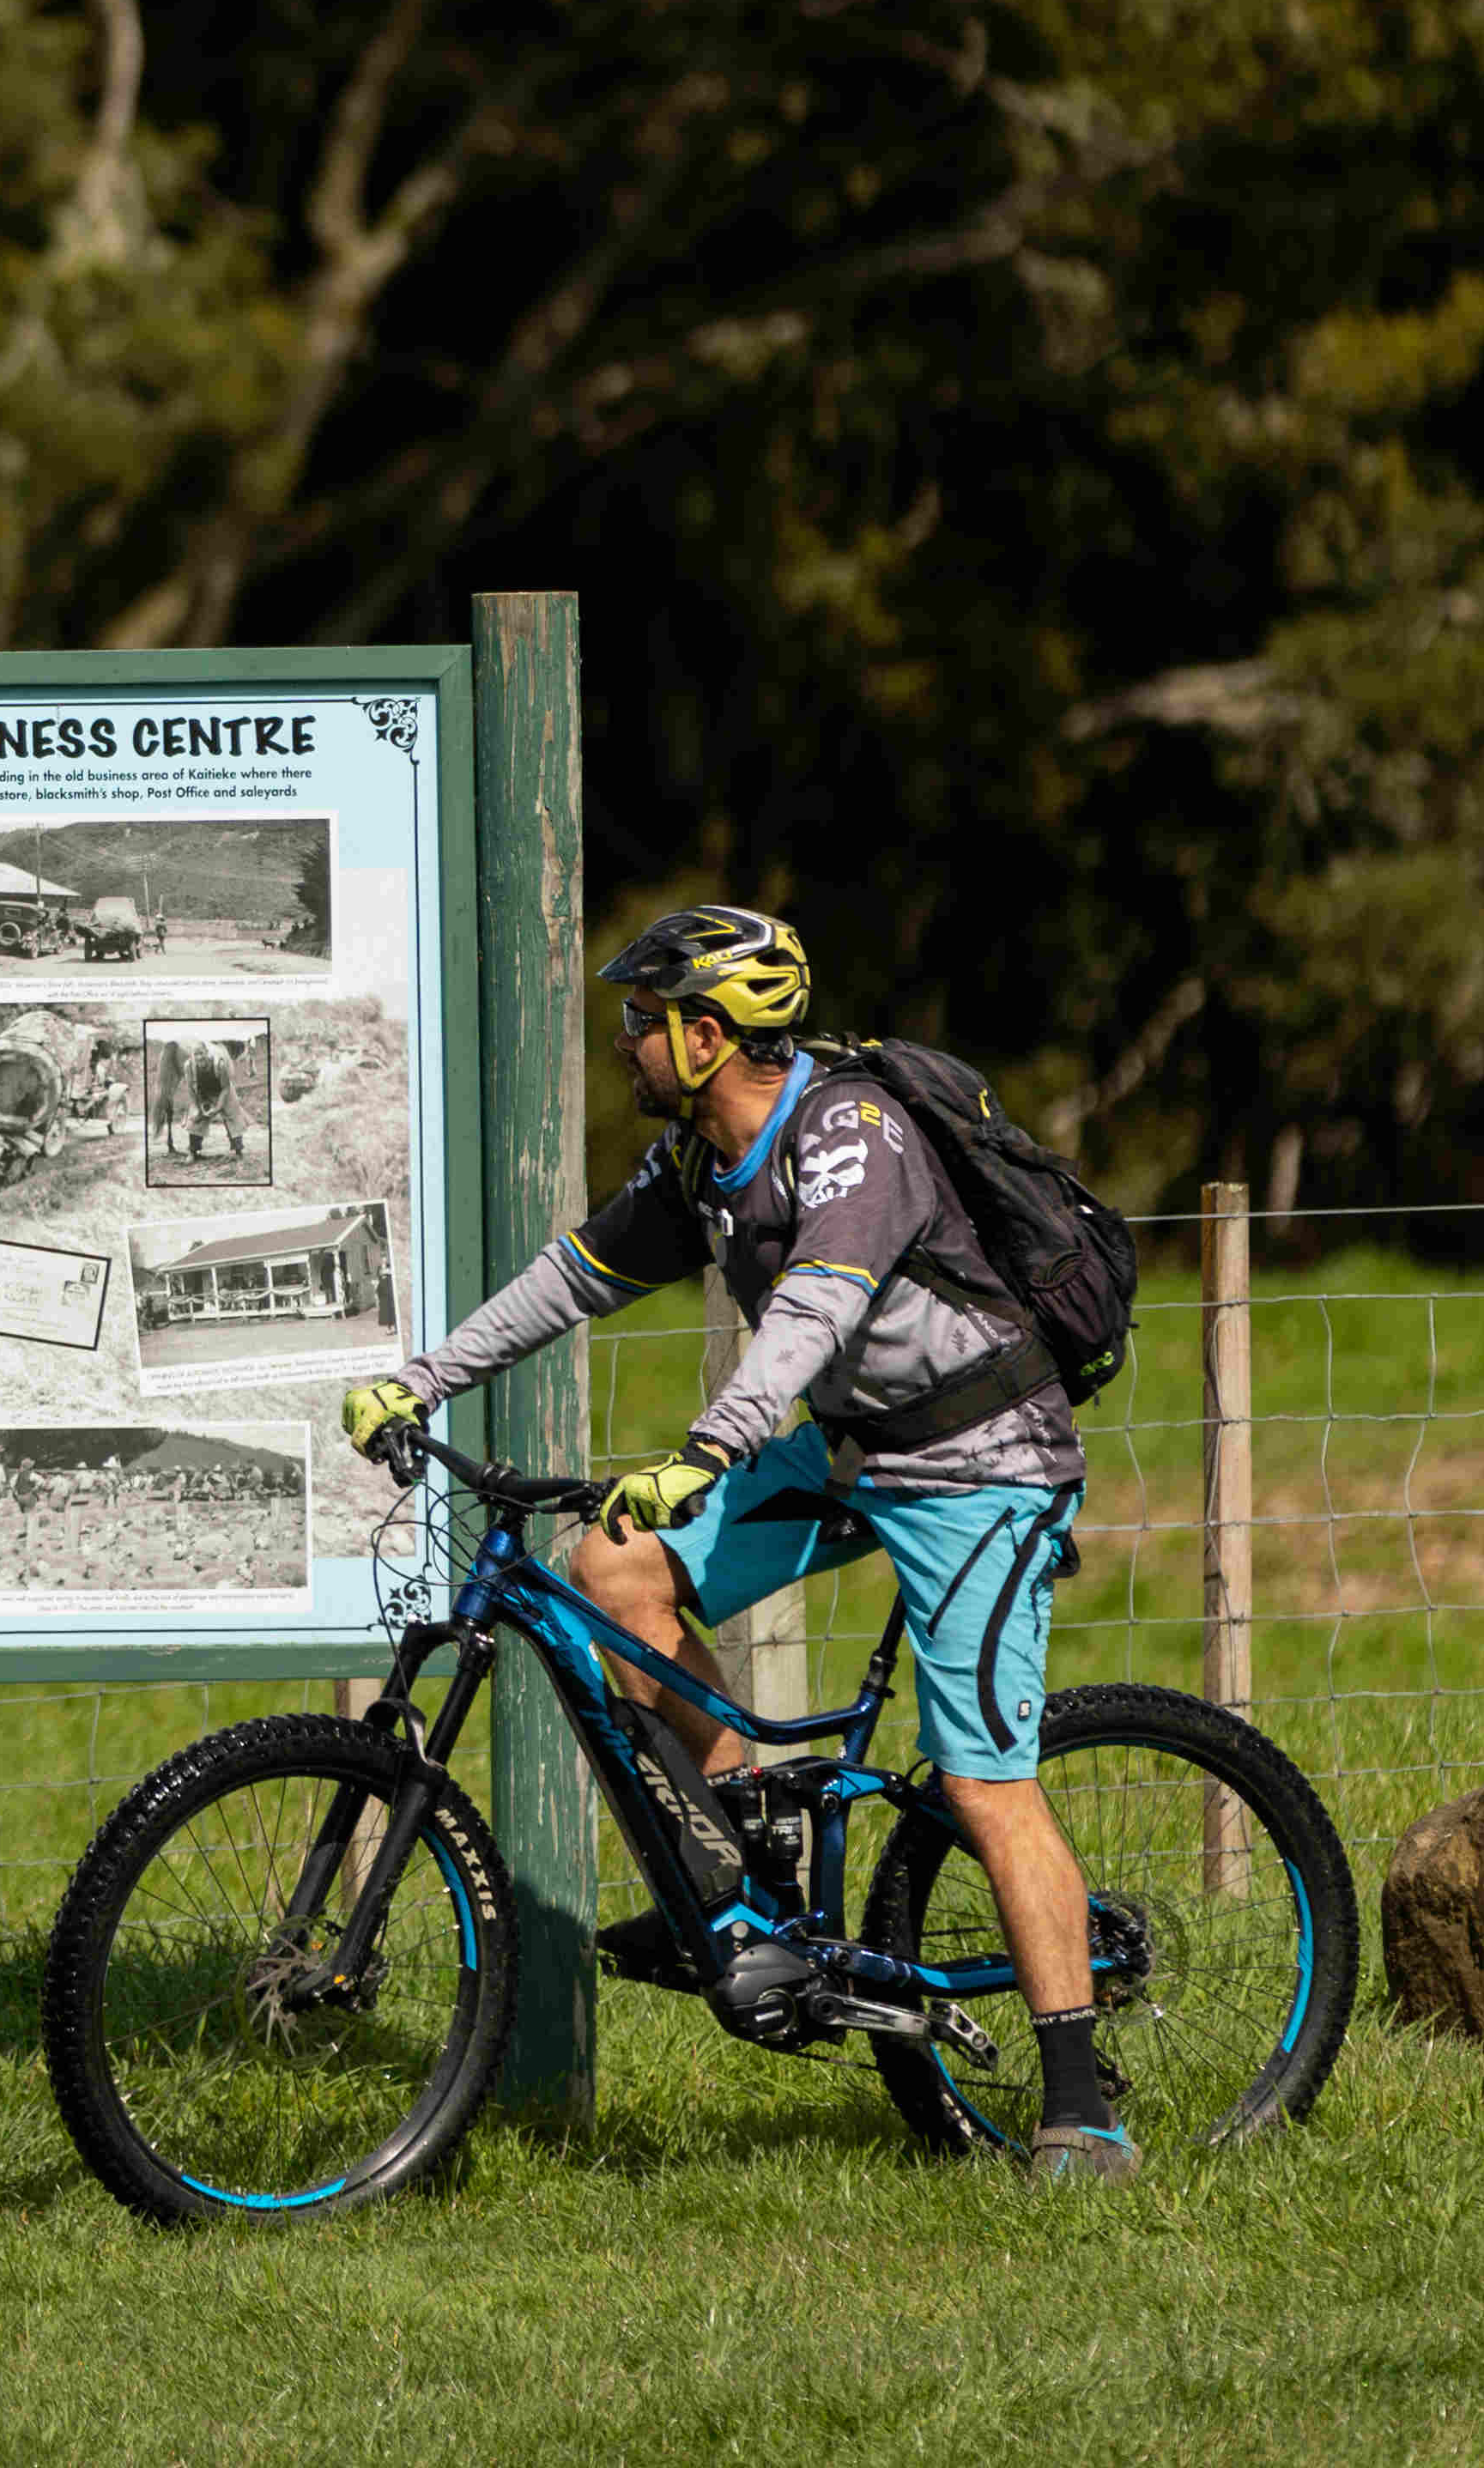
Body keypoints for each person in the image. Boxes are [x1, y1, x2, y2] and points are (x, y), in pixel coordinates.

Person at [340, 903, 1136, 2186]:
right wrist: (425, 1380)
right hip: (845, 1450)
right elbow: (576, 1275)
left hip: (982, 1463)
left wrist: (706, 1449)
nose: (624, 1045)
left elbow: (817, 1312)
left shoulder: (850, 1139)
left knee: (985, 1783)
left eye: (642, 1025)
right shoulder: (704, 1161)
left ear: (708, 1037)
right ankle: (752, 1845)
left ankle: (1081, 2108)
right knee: (614, 1569)